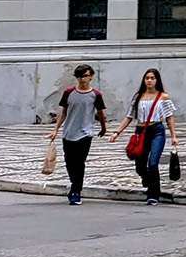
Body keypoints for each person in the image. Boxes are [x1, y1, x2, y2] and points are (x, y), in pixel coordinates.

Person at [110, 67, 176, 205]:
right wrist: (117, 132)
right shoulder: (138, 97)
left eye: (152, 78)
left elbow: (169, 118)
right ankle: (146, 178)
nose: (149, 81)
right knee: (140, 165)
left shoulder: (163, 96)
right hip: (140, 131)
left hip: (157, 130)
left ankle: (153, 194)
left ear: (157, 80)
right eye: (147, 78)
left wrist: (174, 136)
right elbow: (129, 116)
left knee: (153, 163)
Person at [50, 63, 107, 204]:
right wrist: (55, 129)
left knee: (79, 162)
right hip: (69, 132)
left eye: (85, 76)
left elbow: (100, 113)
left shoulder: (95, 95)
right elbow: (63, 113)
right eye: (79, 76)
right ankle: (74, 184)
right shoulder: (69, 92)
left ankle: (76, 191)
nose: (82, 79)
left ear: (91, 77)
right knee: (69, 162)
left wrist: (103, 127)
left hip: (85, 132)